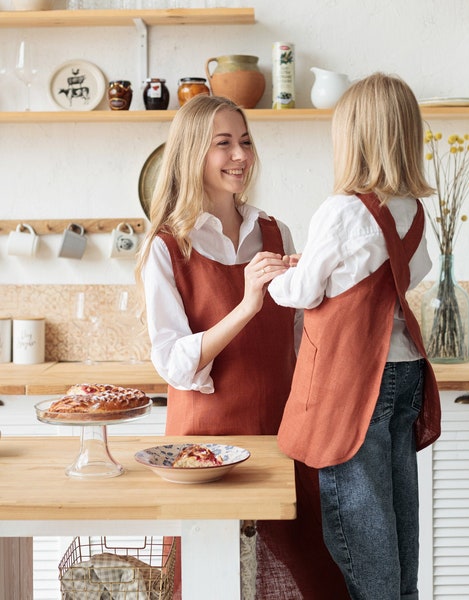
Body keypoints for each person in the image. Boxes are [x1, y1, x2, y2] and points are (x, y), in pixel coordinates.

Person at [135, 94, 349, 600]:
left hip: (281, 438)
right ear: (192, 153)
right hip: (200, 449)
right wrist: (248, 303)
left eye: (246, 142)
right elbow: (172, 362)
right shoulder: (166, 247)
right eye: (223, 144)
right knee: (207, 580)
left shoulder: (275, 232)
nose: (240, 156)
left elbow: (302, 345)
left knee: (310, 579)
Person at [268, 72, 442, 600]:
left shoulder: (341, 210)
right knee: (395, 510)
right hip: (405, 368)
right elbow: (417, 272)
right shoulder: (414, 211)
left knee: (357, 523)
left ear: (355, 139)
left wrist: (276, 273)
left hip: (353, 381)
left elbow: (300, 291)